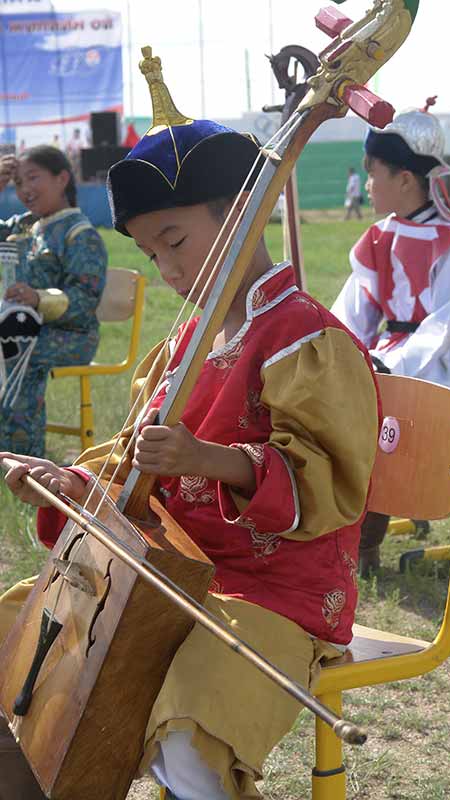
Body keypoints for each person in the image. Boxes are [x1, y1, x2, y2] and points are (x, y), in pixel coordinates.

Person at [0, 50, 379, 800]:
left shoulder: (307, 339)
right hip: (167, 572)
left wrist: (210, 458)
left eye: (174, 242)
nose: (167, 269)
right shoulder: (186, 341)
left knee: (191, 719)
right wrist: (70, 482)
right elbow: (134, 460)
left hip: (273, 591)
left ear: (239, 216)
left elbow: (329, 486)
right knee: (18, 631)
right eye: (149, 253)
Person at [331, 105, 450, 575]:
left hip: (437, 365)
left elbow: (442, 328)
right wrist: (339, 349)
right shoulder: (375, 238)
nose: (366, 184)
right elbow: (355, 311)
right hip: (390, 356)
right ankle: (350, 530)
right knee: (342, 408)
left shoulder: (447, 243)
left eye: (374, 173)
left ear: (405, 179)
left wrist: (391, 368)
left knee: (384, 423)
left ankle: (366, 541)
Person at [0, 145, 108, 457]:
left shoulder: (79, 233)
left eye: (33, 177)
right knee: (13, 341)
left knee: (15, 348)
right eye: (18, 182)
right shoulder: (24, 226)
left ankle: (21, 460)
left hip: (73, 335)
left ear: (62, 178)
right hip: (29, 330)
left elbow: (85, 299)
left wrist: (37, 299)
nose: (25, 189)